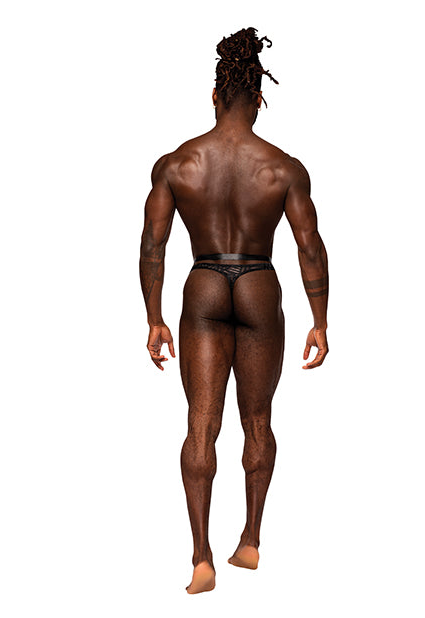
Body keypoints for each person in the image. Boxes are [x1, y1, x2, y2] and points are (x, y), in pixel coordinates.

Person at [139, 26, 329, 594]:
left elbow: (152, 246)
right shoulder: (283, 167)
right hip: (258, 284)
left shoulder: (177, 163)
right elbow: (310, 247)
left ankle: (201, 558)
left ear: (214, 95)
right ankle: (249, 540)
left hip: (203, 282)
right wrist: (320, 321)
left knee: (201, 423)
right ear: (259, 99)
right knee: (258, 420)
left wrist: (154, 318)